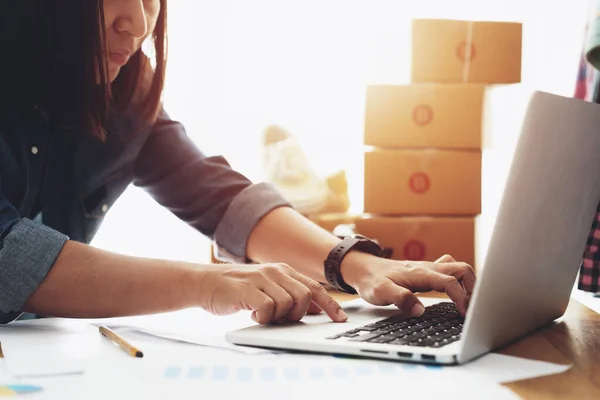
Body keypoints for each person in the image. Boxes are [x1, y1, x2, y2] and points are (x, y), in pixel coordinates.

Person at [0, 0, 475, 326]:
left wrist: (355, 265)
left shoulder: (127, 88)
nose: (139, 23)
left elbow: (217, 194)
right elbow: (6, 252)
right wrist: (208, 283)